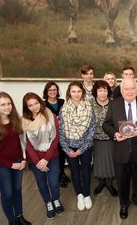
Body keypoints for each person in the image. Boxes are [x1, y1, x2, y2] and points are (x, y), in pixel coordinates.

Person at [102, 78, 137, 219]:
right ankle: (124, 204)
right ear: (121, 90)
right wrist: (114, 134)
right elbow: (106, 124)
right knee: (122, 180)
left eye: (133, 88)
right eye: (126, 89)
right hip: (121, 150)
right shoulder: (114, 105)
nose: (130, 91)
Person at [0, 92, 32, 225]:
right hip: (1, 166)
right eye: (3, 104)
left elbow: (21, 142)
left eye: (9, 103)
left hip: (18, 162)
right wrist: (11, 165)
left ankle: (20, 216)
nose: (7, 107)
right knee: (7, 193)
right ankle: (12, 221)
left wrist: (23, 158)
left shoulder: (16, 120)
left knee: (17, 190)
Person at [21, 92, 63, 219]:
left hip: (52, 155)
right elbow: (26, 143)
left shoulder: (50, 116)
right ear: (26, 107)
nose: (34, 107)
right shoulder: (24, 121)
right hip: (35, 159)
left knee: (54, 182)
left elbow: (55, 139)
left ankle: (56, 200)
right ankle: (48, 203)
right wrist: (38, 161)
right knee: (41, 183)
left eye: (36, 103)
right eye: (30, 105)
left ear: (40, 102)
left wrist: (46, 158)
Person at [59, 82, 96, 211]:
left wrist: (81, 149)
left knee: (85, 170)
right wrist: (67, 149)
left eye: (78, 91)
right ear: (69, 93)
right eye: (73, 91)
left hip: (85, 146)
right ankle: (79, 195)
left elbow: (92, 129)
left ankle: (86, 195)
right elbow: (61, 131)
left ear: (82, 92)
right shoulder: (63, 109)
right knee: (74, 171)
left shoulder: (89, 107)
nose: (76, 94)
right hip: (69, 147)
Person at [90, 80, 118, 197]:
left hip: (112, 139)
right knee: (99, 163)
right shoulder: (89, 103)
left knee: (111, 163)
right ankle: (101, 183)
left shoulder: (114, 103)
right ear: (95, 91)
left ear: (108, 91)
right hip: (96, 139)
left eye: (105, 90)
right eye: (100, 90)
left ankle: (109, 184)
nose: (102, 93)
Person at [43, 82, 70, 188]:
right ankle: (58, 178)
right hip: (52, 135)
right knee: (56, 157)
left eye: (54, 90)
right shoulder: (43, 105)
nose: (53, 92)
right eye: (50, 90)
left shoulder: (62, 101)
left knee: (63, 156)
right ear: (46, 92)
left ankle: (62, 173)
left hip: (63, 133)